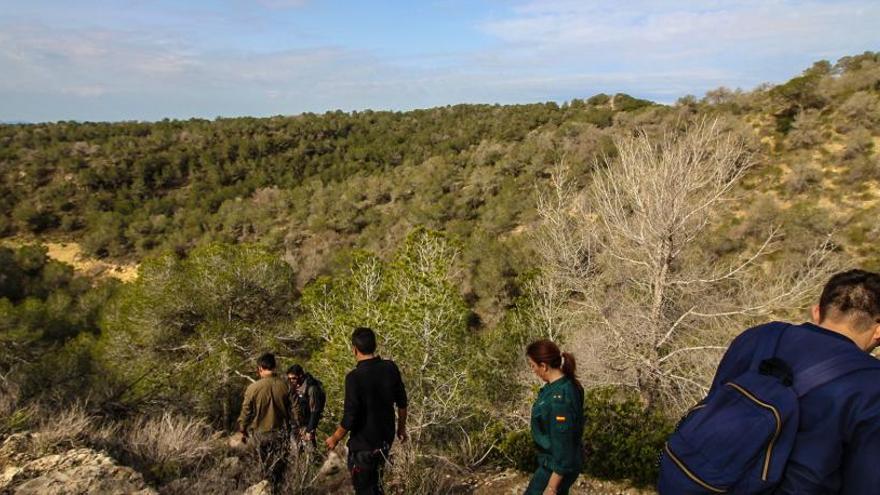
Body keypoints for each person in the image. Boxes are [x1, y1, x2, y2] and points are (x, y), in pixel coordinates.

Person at [667, 269, 880, 494]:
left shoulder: (757, 337)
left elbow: (713, 408)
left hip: (704, 481)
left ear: (817, 311)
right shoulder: (872, 384)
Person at [325, 327, 408, 495]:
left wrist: (335, 437)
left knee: (365, 489)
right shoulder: (390, 367)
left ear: (354, 349)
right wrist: (401, 428)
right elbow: (402, 402)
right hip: (385, 439)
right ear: (375, 345)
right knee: (376, 485)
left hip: (364, 446)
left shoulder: (354, 378)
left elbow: (350, 415)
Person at [525, 340, 584, 495]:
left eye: (533, 365)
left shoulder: (560, 397)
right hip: (555, 463)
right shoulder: (557, 387)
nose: (533, 370)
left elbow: (563, 442)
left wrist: (552, 487)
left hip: (556, 467)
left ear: (543, 366)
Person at [238, 353, 291, 493]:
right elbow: (295, 411)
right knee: (280, 469)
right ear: (274, 367)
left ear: (260, 368)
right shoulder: (286, 386)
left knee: (263, 469)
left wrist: (242, 429)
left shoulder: (253, 388)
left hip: (260, 434)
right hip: (281, 433)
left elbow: (246, 412)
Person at [286, 363, 326, 451]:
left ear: (300, 375)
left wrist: (310, 429)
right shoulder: (292, 387)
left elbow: (315, 410)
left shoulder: (311, 389)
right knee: (294, 453)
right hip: (294, 425)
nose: (291, 380)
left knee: (310, 453)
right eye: (289, 378)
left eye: (294, 378)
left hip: (306, 425)